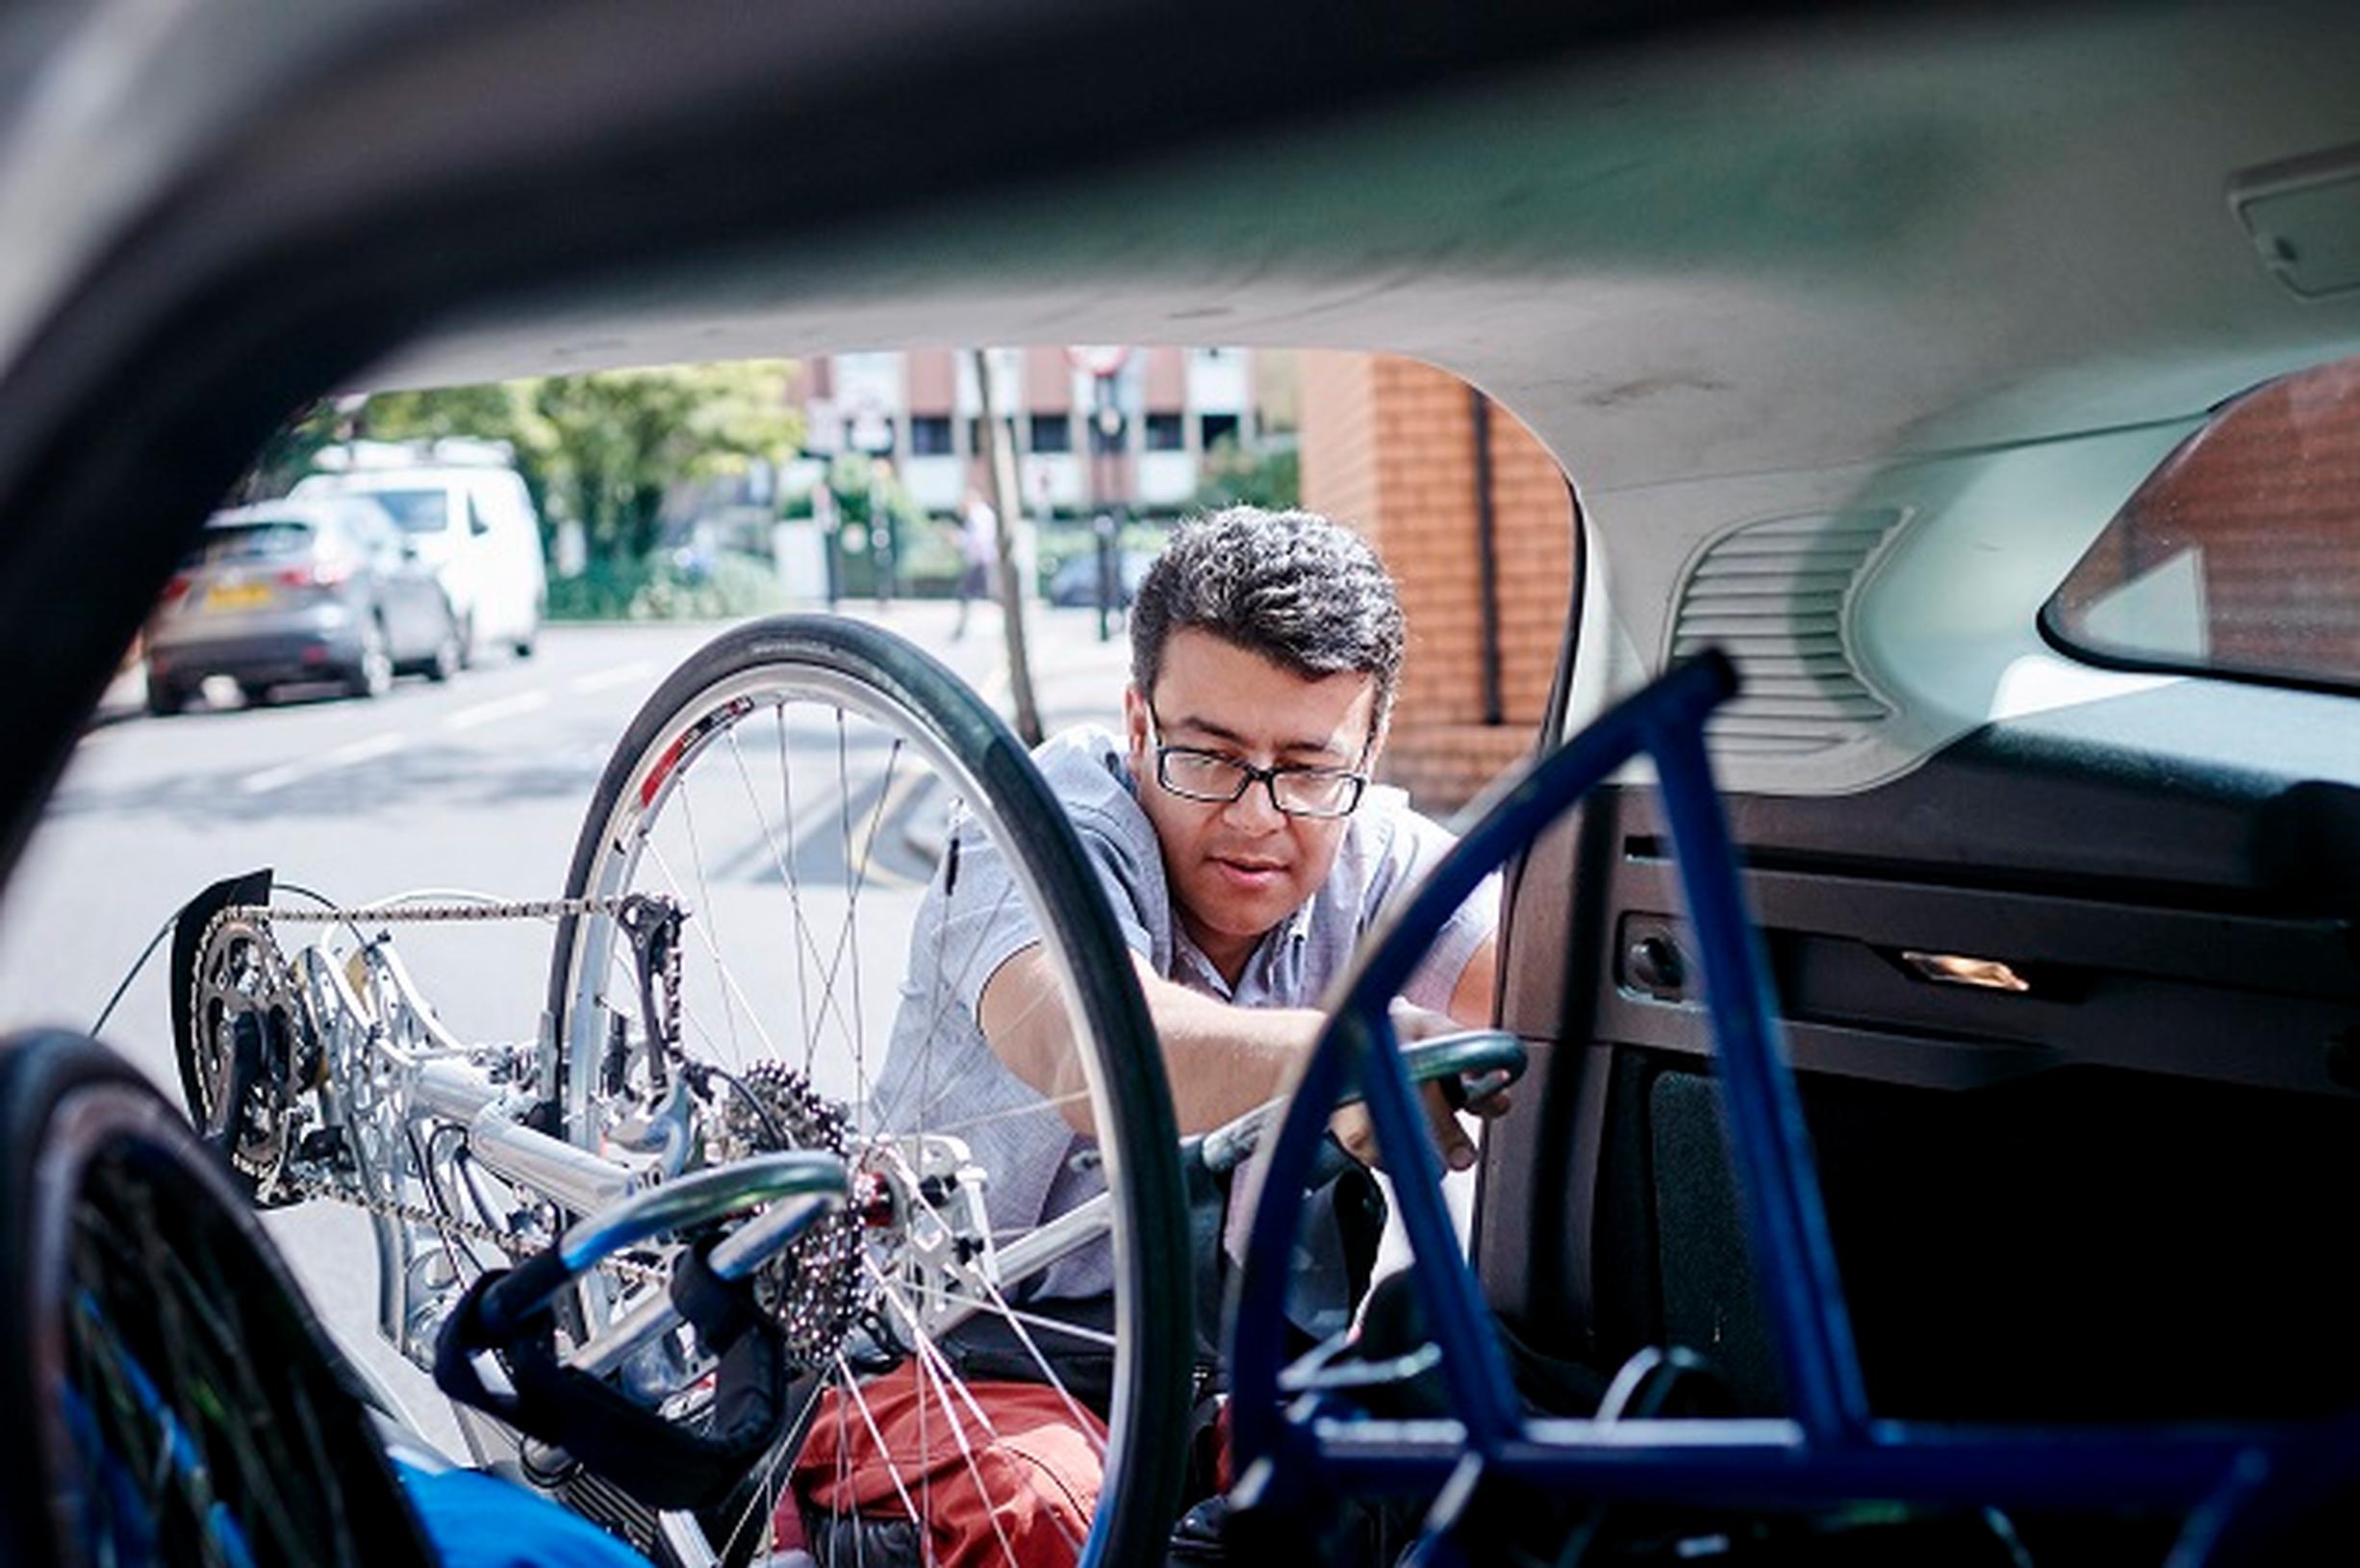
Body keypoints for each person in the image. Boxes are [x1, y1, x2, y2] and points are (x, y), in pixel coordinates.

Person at [790, 506, 1504, 1564]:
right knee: (1064, 1514)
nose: (1259, 815)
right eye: (1207, 756)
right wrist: (1337, 1060)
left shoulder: (1376, 851)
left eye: (1308, 768)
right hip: (932, 1358)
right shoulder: (1033, 824)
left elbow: (1554, 987)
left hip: (1205, 1376)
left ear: (1366, 752)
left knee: (1444, 1444)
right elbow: (1098, 1055)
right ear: (1135, 722)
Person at [952, 485, 998, 640]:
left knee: (966, 594)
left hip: (981, 561)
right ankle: (961, 628)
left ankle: (961, 629)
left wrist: (960, 540)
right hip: (985, 560)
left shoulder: (976, 516)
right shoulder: (984, 514)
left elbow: (977, 540)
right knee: (973, 594)